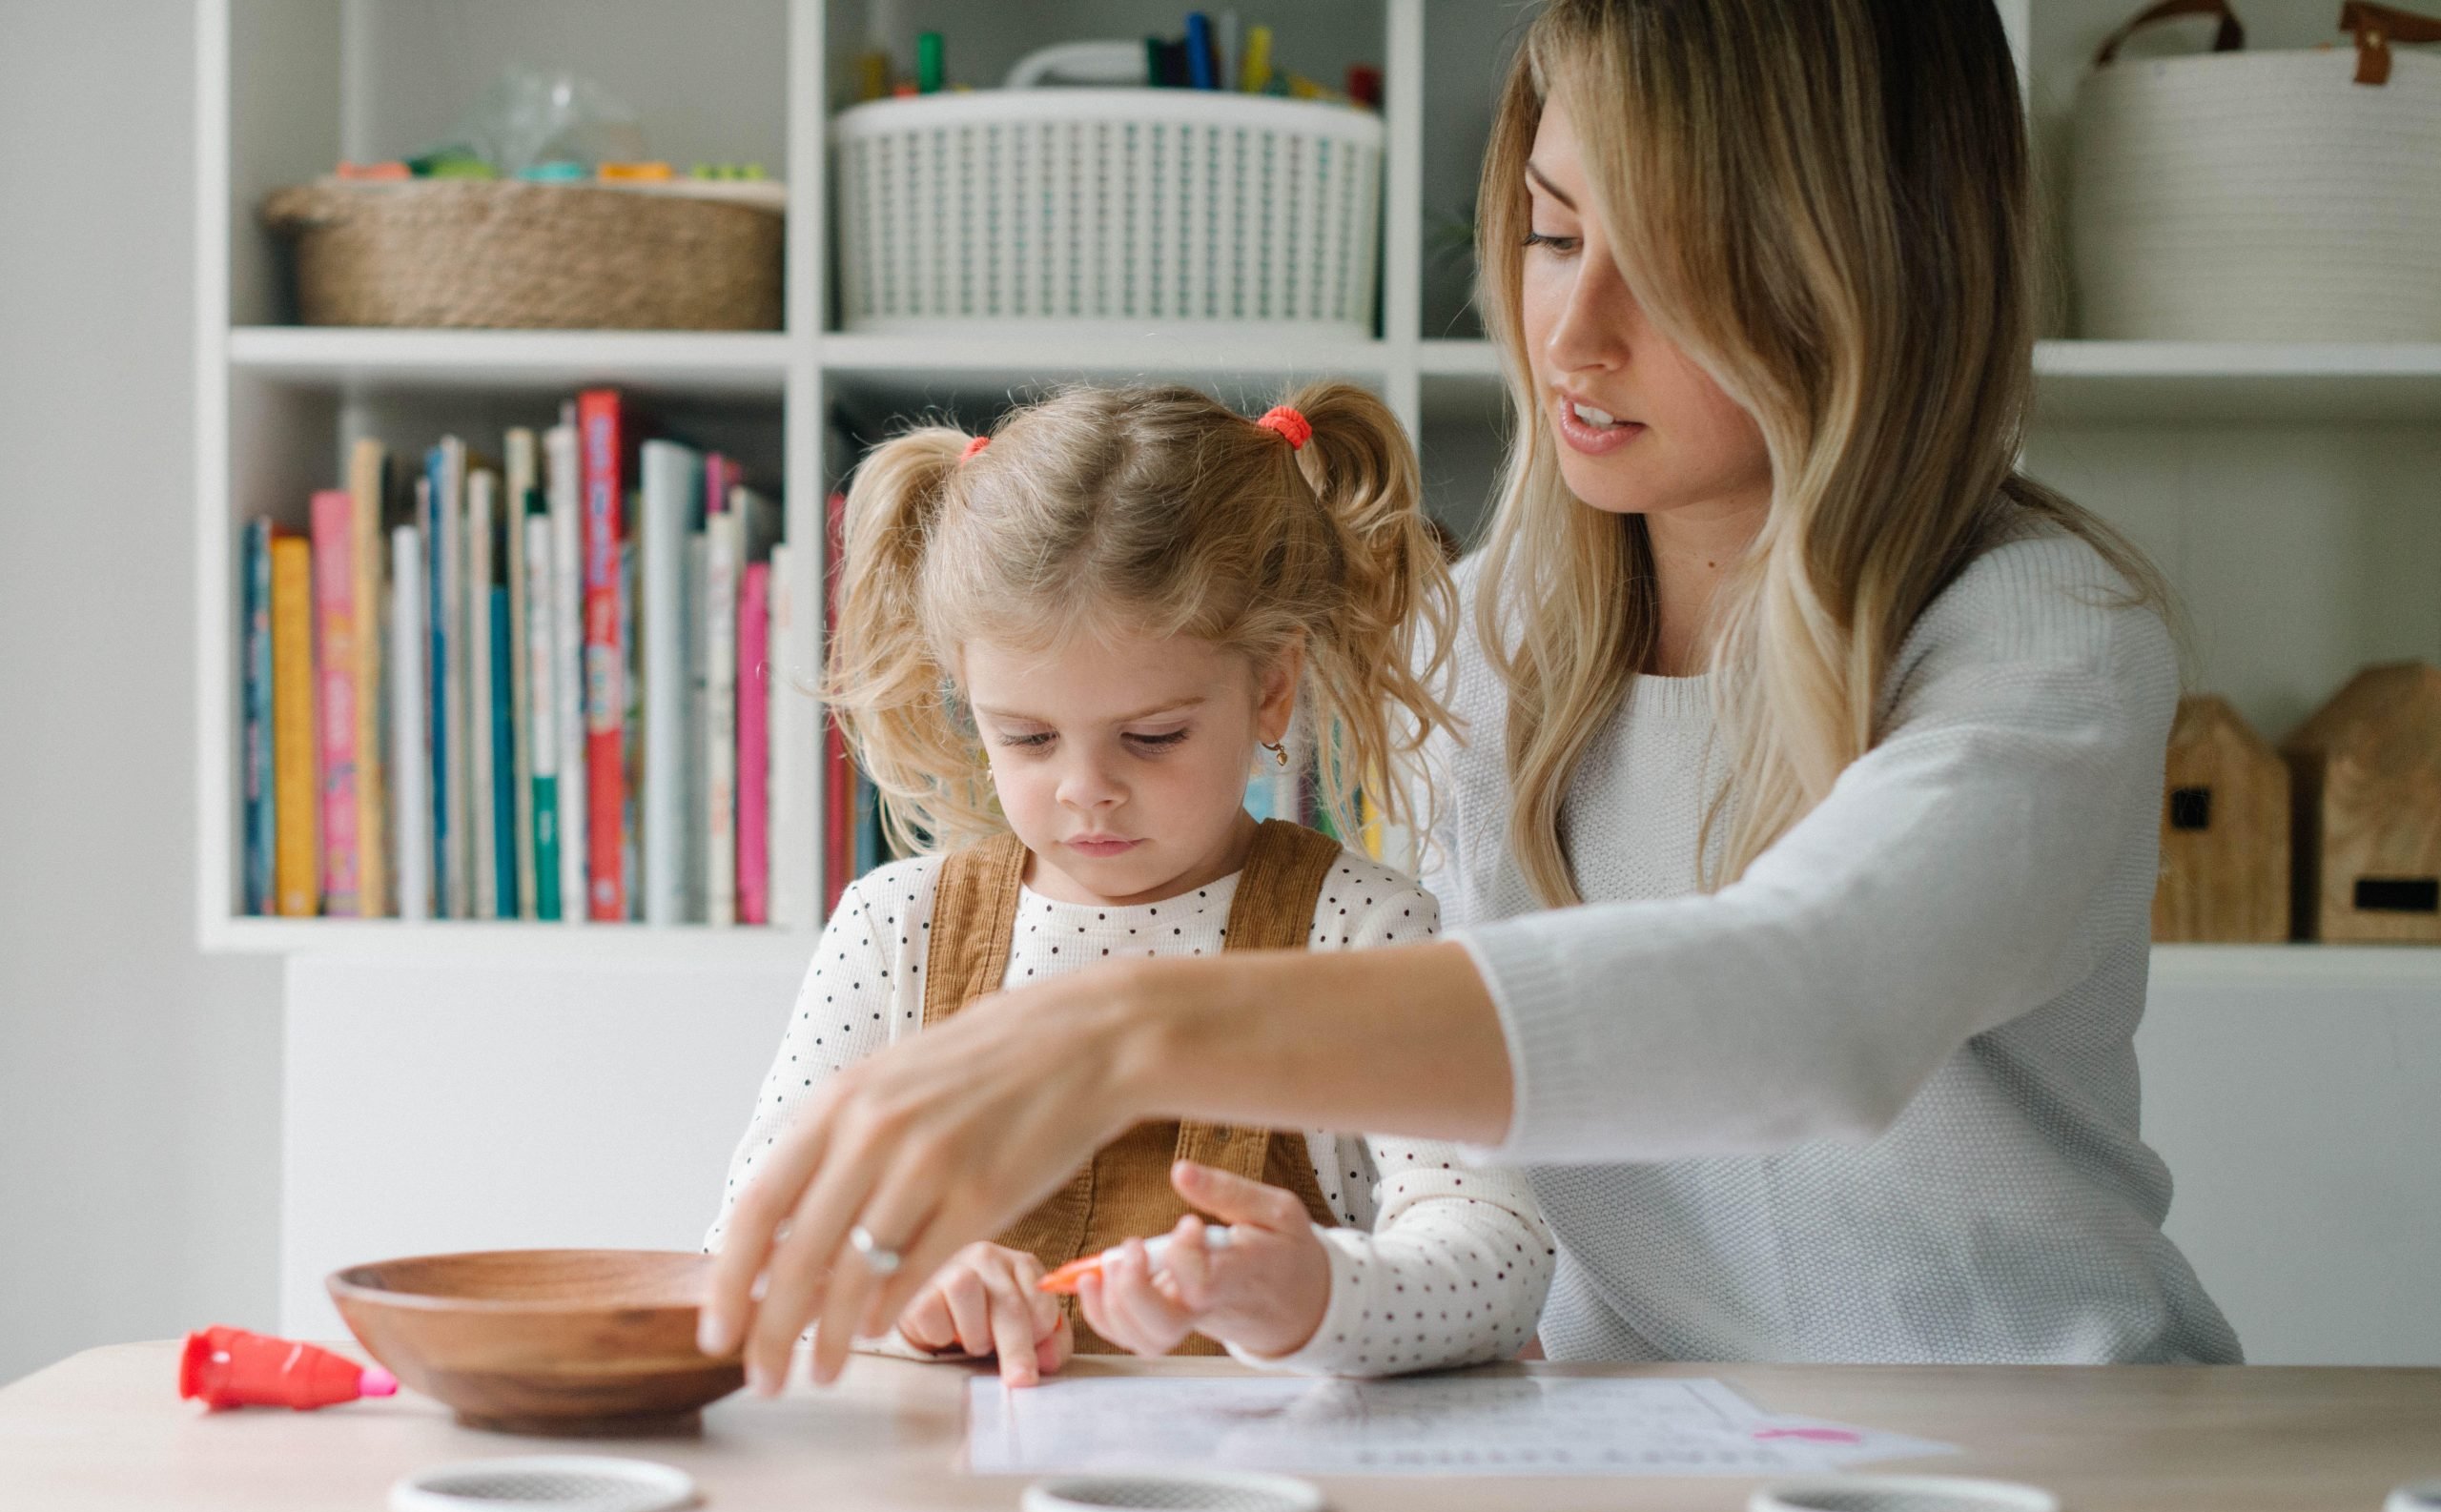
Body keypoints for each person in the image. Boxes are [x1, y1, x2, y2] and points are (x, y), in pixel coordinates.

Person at [701, 0, 2239, 1395]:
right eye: (1555, 235)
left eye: (1678, 266)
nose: (1571, 334)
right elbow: (1471, 1170)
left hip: (2035, 1427)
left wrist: (1126, 1025)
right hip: (1632, 1440)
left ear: (1881, 270)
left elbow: (1807, 1002)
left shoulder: (2042, 639)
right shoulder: (1491, 633)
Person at [704, 381, 1553, 1387]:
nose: (1086, 792)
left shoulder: (1364, 928)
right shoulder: (895, 926)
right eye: (1024, 737)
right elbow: (747, 1248)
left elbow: (1501, 1260)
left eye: (1152, 738)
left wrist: (1316, 1294)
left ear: (1271, 687)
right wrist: (908, 1296)